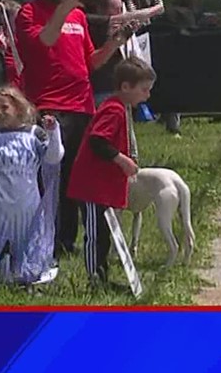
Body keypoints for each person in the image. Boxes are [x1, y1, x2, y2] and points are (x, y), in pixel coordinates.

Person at [13, 0, 135, 259]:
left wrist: (114, 44)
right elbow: (43, 43)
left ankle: (67, 240)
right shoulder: (29, 12)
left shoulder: (79, 18)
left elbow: (90, 62)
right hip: (49, 108)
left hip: (82, 107)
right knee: (49, 179)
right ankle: (47, 241)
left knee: (76, 180)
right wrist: (64, 10)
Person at [66, 56, 155, 286]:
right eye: (144, 90)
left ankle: (102, 275)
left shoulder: (119, 108)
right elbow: (98, 141)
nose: (147, 95)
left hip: (102, 187)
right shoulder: (113, 110)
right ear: (126, 87)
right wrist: (121, 160)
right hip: (92, 186)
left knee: (105, 233)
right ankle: (95, 278)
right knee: (96, 235)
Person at [0, 86, 63, 286]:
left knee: (26, 236)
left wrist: (54, 133)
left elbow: (54, 157)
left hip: (28, 200)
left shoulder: (36, 134)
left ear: (18, 107)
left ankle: (23, 273)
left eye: (4, 107)